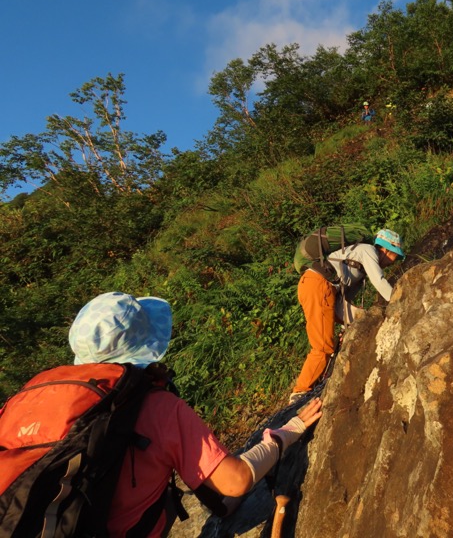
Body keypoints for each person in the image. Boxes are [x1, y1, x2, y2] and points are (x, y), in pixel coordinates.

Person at [67, 292, 323, 537]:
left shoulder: (59, 404)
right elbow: (237, 480)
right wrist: (286, 433)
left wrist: (221, 503)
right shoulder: (157, 407)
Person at [291, 229, 404, 402]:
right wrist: (400, 303)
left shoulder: (359, 267)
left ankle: (322, 378)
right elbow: (380, 282)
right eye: (395, 255)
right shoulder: (368, 251)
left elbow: (345, 301)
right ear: (387, 250)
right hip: (318, 286)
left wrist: (348, 327)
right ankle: (300, 392)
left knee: (364, 320)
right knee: (323, 347)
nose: (393, 262)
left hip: (324, 289)